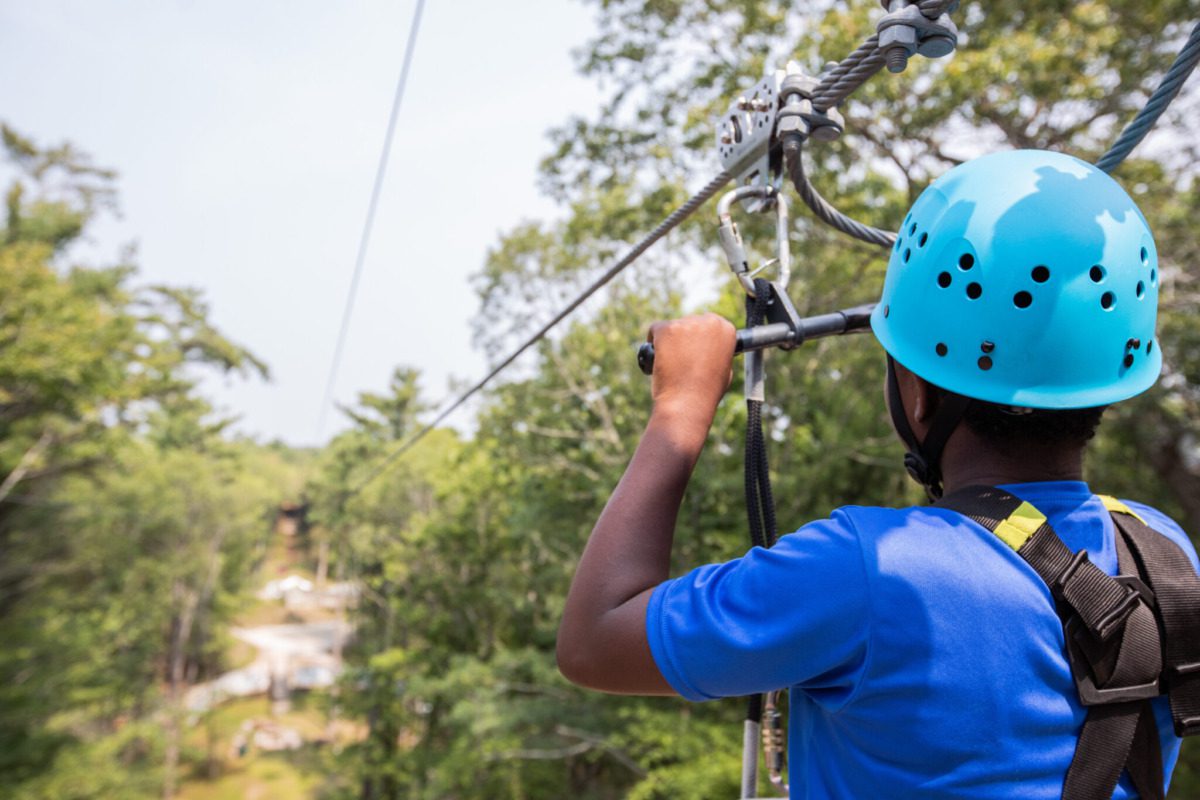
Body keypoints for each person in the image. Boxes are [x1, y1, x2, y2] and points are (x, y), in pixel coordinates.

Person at [556, 149, 1200, 799]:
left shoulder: (865, 571)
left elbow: (592, 640)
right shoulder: (1164, 553)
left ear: (916, 393)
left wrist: (680, 408)